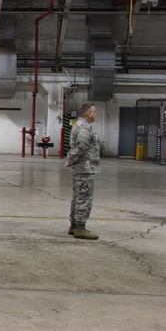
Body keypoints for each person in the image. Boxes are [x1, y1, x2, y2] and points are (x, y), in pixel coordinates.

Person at [65, 103, 101, 240]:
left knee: (78, 196)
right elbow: (80, 147)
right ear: (89, 114)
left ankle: (74, 225)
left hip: (82, 168)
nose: (95, 114)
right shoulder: (84, 127)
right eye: (95, 112)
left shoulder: (79, 125)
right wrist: (71, 159)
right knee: (84, 198)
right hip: (85, 168)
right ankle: (80, 227)